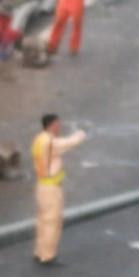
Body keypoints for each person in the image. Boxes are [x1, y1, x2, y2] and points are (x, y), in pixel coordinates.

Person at [30, 113, 87, 266]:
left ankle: (39, 251)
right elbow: (69, 143)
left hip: (41, 185)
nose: (59, 126)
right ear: (51, 125)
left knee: (42, 220)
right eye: (57, 124)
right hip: (51, 188)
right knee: (52, 222)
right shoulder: (50, 143)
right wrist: (80, 135)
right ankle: (48, 256)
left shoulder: (39, 139)